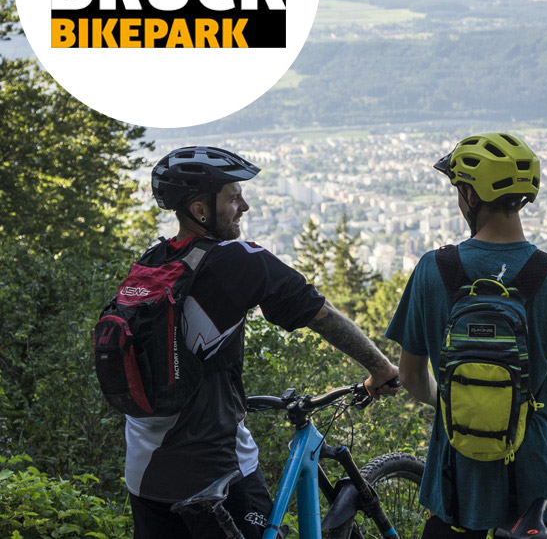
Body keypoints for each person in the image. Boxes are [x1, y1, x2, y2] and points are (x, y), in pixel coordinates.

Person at [127, 146, 400, 539]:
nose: (245, 206)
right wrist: (380, 369)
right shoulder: (238, 260)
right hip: (214, 472)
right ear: (200, 209)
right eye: (234, 196)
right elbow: (320, 315)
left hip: (142, 471)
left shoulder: (151, 262)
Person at [386, 132, 547, 538]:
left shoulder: (431, 271)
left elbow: (411, 378)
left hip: (456, 480)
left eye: (459, 189)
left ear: (471, 196)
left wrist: (461, 400)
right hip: (535, 487)